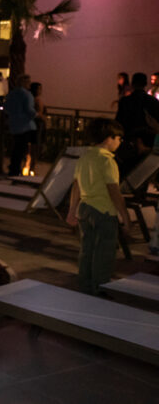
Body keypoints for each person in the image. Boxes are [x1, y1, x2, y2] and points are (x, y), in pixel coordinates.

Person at [66, 118, 133, 295]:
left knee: (87, 249)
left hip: (85, 209)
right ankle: (100, 288)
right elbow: (114, 192)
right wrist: (125, 218)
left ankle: (85, 284)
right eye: (118, 138)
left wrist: (72, 211)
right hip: (104, 211)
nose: (120, 142)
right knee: (104, 252)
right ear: (109, 138)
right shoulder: (107, 161)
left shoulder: (85, 158)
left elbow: (76, 186)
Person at [3, 74, 37, 176]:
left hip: (14, 124)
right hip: (25, 125)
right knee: (22, 148)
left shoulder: (12, 94)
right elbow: (29, 110)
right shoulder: (26, 94)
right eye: (28, 82)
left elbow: (6, 108)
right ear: (24, 83)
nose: (29, 84)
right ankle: (18, 169)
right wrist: (37, 115)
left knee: (16, 148)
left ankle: (14, 168)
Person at [27, 81, 47, 174]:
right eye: (39, 89)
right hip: (36, 125)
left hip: (38, 125)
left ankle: (31, 167)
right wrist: (41, 116)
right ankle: (31, 168)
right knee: (34, 147)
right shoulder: (34, 100)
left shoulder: (36, 100)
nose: (40, 90)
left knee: (35, 147)